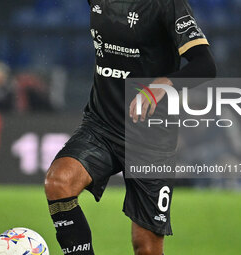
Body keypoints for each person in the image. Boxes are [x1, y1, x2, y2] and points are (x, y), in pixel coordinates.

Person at [45, 0, 216, 254]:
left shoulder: (167, 5)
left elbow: (205, 66)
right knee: (58, 182)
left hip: (151, 140)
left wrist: (161, 85)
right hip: (101, 125)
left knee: (146, 248)